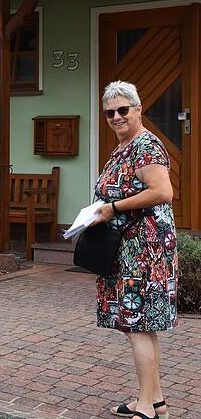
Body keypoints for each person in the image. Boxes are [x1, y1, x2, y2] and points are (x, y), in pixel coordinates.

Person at [90, 81, 178, 419]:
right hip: (129, 248)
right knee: (141, 326)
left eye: (123, 109)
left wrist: (113, 208)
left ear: (138, 109)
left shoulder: (145, 146)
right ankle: (155, 401)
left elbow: (162, 191)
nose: (116, 116)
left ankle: (146, 406)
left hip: (143, 249)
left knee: (137, 325)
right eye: (110, 112)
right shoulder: (125, 146)